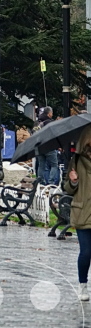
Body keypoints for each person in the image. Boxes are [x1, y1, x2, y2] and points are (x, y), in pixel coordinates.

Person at [64, 125, 91, 301]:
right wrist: (73, 181)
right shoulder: (77, 160)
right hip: (83, 212)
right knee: (86, 252)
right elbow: (67, 188)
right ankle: (82, 285)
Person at [35, 107, 60, 185]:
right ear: (49, 114)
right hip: (49, 146)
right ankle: (51, 182)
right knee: (54, 165)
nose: (52, 114)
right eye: (51, 113)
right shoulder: (49, 122)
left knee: (41, 165)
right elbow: (54, 134)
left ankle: (40, 181)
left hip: (39, 146)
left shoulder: (38, 122)